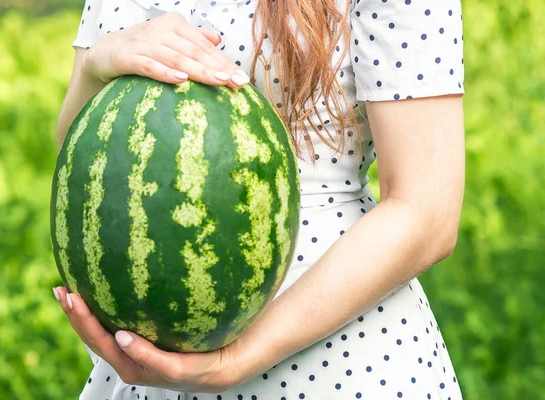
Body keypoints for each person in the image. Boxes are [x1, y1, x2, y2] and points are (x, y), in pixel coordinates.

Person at [52, 0, 466, 398]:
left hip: (329, 359)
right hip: (142, 371)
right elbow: (80, 159)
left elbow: (426, 213)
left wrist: (233, 361)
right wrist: (97, 65)